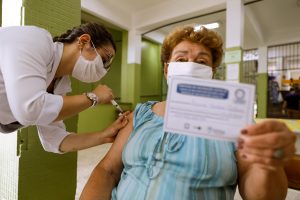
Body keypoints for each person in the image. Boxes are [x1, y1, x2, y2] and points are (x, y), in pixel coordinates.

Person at [80, 26, 296, 200]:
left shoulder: (234, 121)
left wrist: (268, 164)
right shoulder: (141, 114)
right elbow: (107, 171)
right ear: (166, 69)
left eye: (201, 61)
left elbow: (261, 195)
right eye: (181, 60)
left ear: (211, 72)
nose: (191, 66)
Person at [0, 22, 129, 153]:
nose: (103, 70)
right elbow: (31, 108)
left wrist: (104, 136)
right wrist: (93, 97)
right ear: (83, 41)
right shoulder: (35, 40)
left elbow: (54, 139)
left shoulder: (60, 84)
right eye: (105, 60)